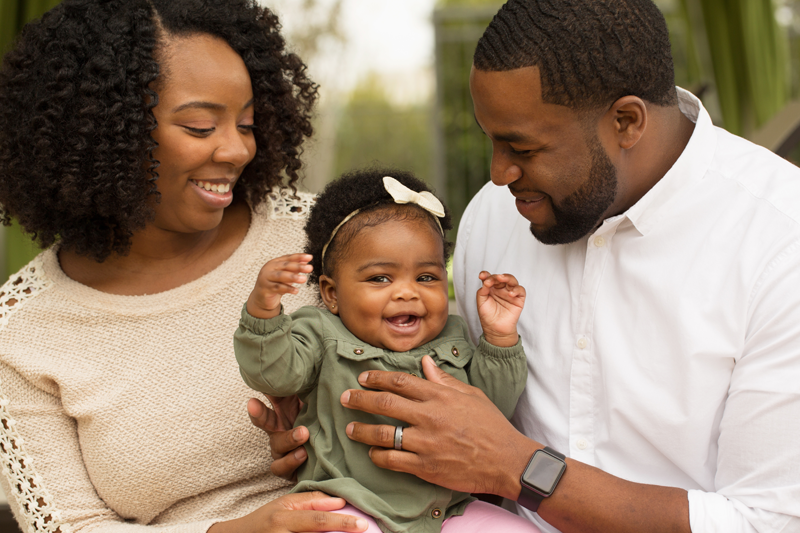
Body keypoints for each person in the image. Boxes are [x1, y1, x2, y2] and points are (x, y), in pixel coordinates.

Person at [261, 0, 800, 532]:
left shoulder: (780, 242)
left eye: (521, 146)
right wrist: (336, 434)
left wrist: (520, 468)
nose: (497, 174)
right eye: (490, 140)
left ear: (626, 121)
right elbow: (458, 408)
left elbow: (767, 522)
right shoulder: (494, 216)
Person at [0, 0, 369, 531]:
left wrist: (335, 429)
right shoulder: (22, 330)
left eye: (246, 123)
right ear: (106, 132)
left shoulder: (330, 234)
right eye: (200, 127)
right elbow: (68, 525)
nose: (237, 149)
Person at [234, 169, 538, 533]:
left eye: (426, 277)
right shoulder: (319, 333)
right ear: (331, 294)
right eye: (380, 278)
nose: (407, 292)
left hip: (447, 510)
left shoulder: (452, 339)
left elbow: (494, 409)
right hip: (349, 504)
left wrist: (499, 338)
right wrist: (263, 311)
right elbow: (274, 375)